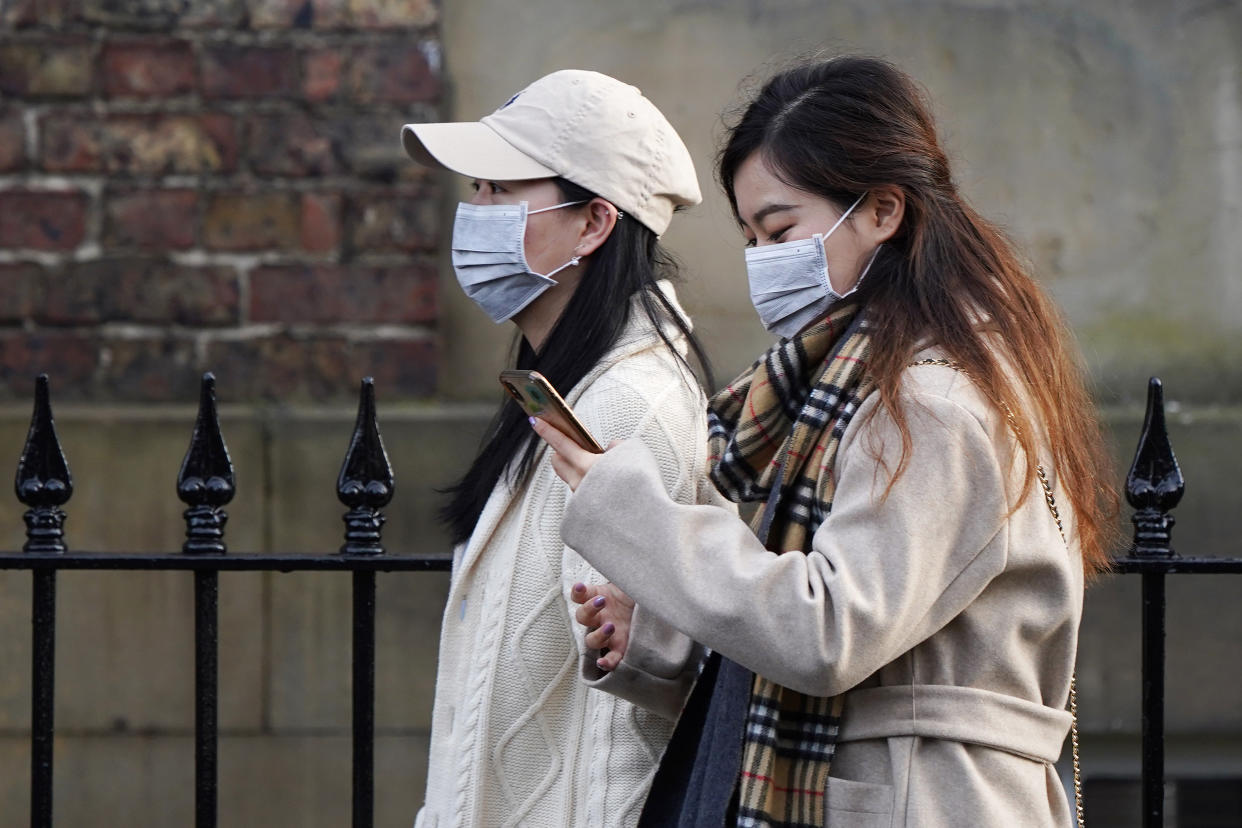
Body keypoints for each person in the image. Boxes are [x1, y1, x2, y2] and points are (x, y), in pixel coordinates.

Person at [531, 56, 1119, 827]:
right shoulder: (878, 383)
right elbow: (857, 628)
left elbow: (829, 632)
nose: (762, 261)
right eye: (750, 237)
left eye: (780, 229)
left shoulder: (934, 399)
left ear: (882, 209)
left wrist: (631, 511)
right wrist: (664, 638)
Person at [402, 69, 717, 828]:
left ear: (594, 224)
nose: (473, 213)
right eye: (475, 189)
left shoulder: (626, 403)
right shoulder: (570, 381)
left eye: (501, 190)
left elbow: (627, 716)